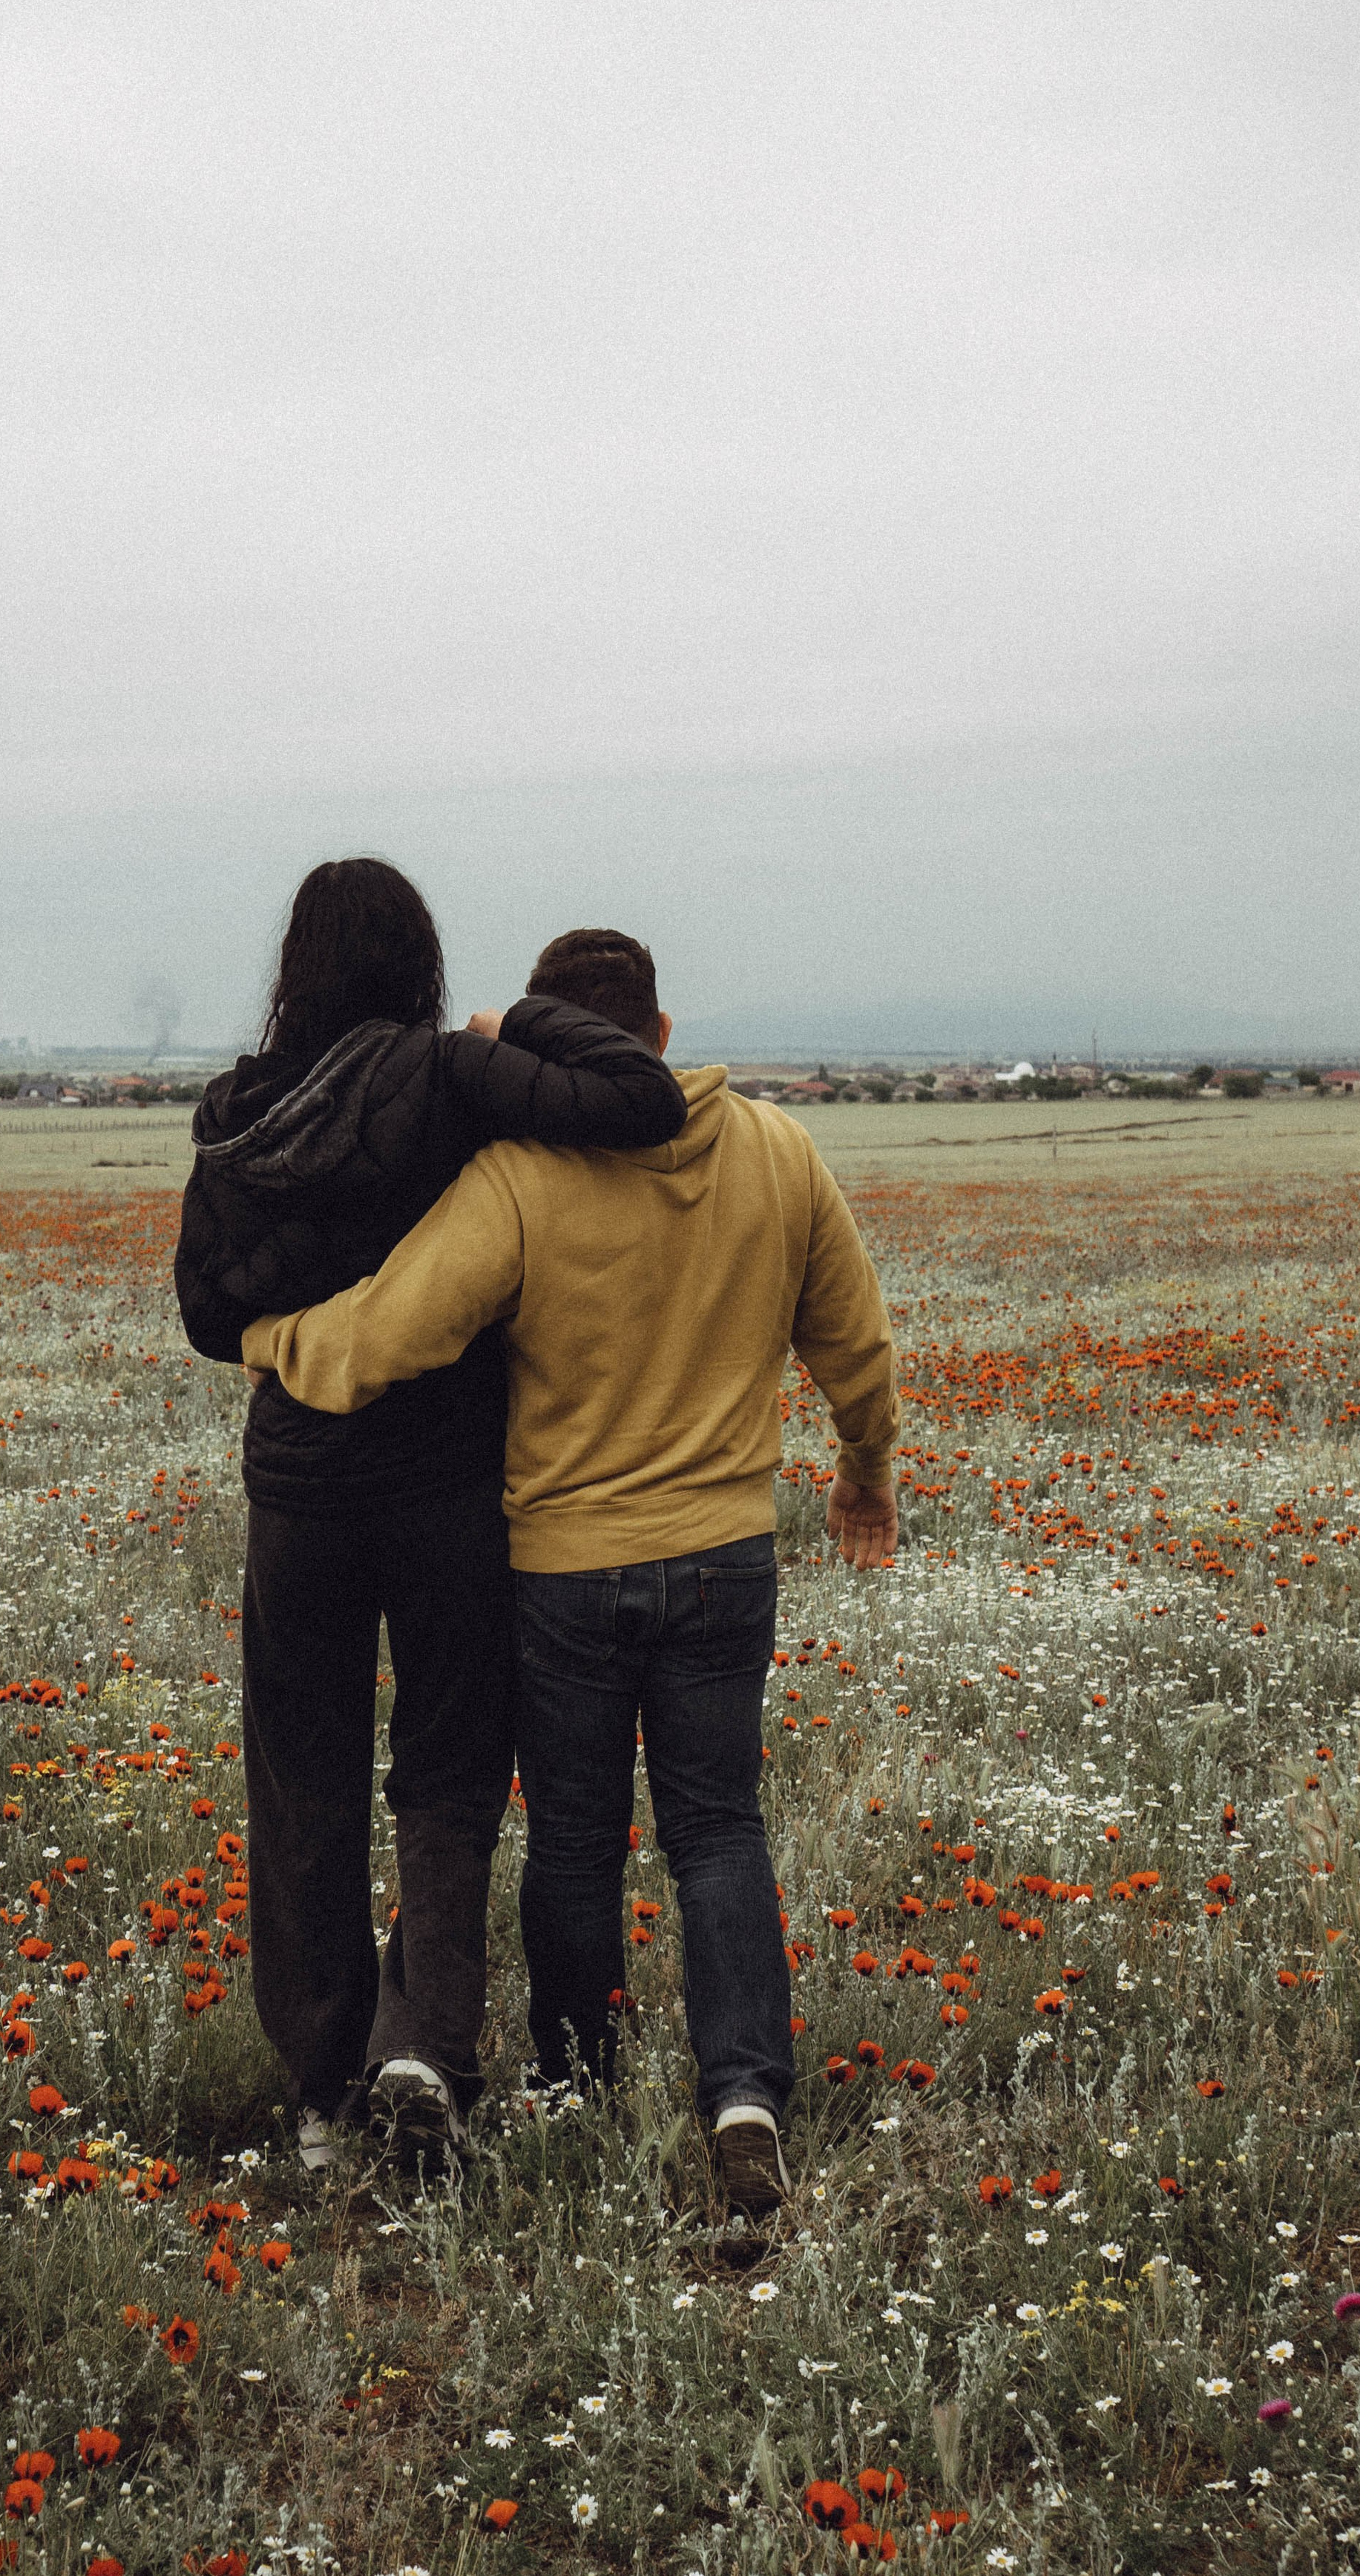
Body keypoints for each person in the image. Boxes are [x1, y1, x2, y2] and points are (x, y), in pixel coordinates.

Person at [242, 926, 898, 2221]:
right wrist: (865, 1471)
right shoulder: (780, 1152)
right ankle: (745, 2098)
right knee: (719, 1830)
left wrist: (271, 1338)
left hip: (563, 1571)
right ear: (655, 1035)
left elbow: (389, 1334)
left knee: (579, 1843)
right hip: (723, 1557)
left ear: (552, 1046)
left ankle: (579, 2081)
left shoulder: (523, 1178)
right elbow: (857, 1343)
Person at [174, 867, 686, 2173]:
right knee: (451, 1773)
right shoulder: (449, 1078)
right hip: (450, 1489)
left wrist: (296, 1296)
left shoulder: (238, 1114)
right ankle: (425, 2055)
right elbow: (640, 1098)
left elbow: (201, 1315)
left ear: (294, 964)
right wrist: (520, 1024)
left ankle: (325, 2091)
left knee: (305, 1783)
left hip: (299, 1494)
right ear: (423, 959)